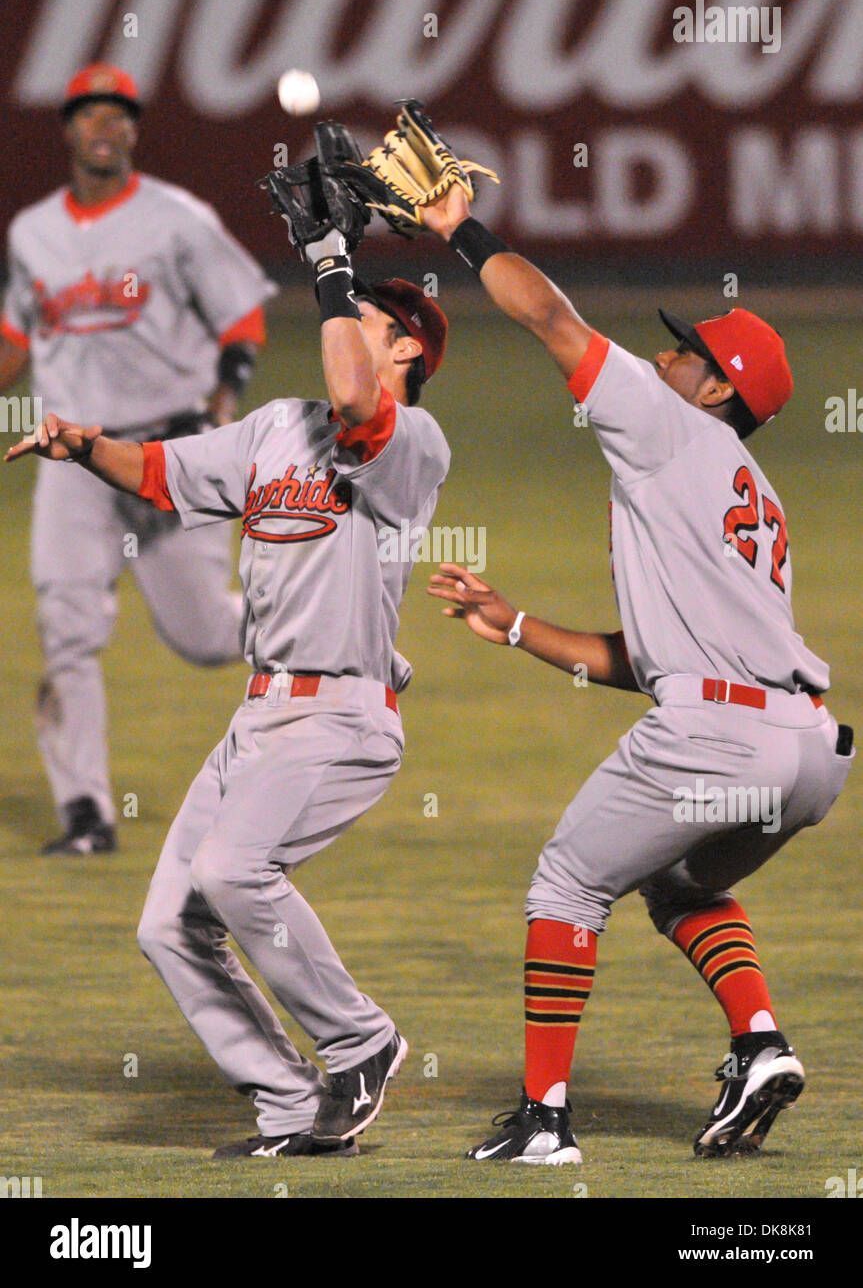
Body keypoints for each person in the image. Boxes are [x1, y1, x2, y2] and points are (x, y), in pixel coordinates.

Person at [421, 183, 854, 1164]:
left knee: (567, 877)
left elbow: (546, 316)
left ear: (713, 390)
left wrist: (458, 230)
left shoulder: (667, 431)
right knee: (672, 880)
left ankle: (543, 1121)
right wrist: (519, 624)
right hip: (805, 750)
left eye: (681, 351)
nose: (660, 354)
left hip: (721, 732)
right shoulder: (753, 493)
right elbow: (658, 659)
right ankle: (757, 1043)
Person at [5, 212, 451, 1157]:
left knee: (231, 872)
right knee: (168, 925)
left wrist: (331, 263)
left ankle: (360, 1040)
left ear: (405, 345)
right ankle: (291, 1105)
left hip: (341, 717)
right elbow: (163, 472)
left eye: (361, 317)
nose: (337, 324)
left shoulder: (411, 444)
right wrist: (85, 444)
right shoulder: (276, 427)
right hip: (257, 719)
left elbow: (359, 404)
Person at [0, 63, 274, 855]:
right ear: (68, 129)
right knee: (67, 628)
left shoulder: (176, 219)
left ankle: (314, 615)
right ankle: (87, 814)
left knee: (202, 635)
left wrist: (228, 389)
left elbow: (242, 311)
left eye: (119, 114)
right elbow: (17, 341)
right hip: (70, 454)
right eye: (90, 112)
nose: (105, 126)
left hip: (164, 448)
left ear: (133, 130)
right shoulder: (32, 232)